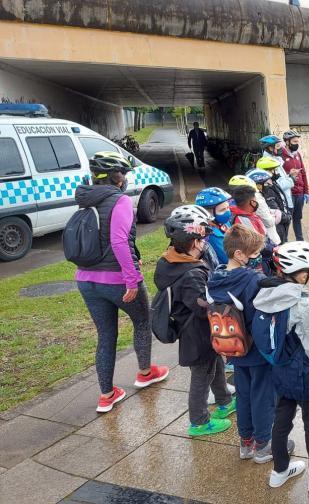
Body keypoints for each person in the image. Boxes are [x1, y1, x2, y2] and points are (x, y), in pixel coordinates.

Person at [74, 152, 169, 413]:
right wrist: (131, 280)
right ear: (118, 177)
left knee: (106, 335)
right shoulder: (121, 201)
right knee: (142, 321)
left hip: (86, 279)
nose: (126, 179)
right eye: (124, 174)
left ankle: (106, 395)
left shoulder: (84, 200)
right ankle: (145, 372)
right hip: (117, 278)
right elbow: (118, 242)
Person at [255, 242, 309, 493]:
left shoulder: (264, 294)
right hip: (306, 375)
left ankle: (279, 470)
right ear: (299, 273)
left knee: (281, 421)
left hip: (280, 369)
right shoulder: (302, 305)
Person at [207, 224, 293, 462]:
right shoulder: (252, 279)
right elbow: (263, 315)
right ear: (239, 254)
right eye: (254, 252)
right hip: (256, 350)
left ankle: (246, 443)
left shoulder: (216, 276)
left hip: (233, 347)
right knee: (263, 396)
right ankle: (264, 444)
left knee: (243, 395)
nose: (257, 255)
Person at [156, 207, 236, 436]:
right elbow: (202, 307)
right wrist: (223, 301)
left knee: (216, 365)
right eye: (202, 239)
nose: (204, 243)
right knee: (202, 376)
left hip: (197, 331)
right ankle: (199, 421)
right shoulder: (190, 273)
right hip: (197, 333)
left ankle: (224, 400)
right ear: (192, 242)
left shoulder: (171, 262)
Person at [256, 156, 293, 243]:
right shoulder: (267, 188)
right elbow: (275, 210)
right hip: (278, 226)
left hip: (282, 224)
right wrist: (287, 217)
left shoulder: (273, 183)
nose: (276, 172)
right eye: (273, 170)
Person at [195, 187, 233, 265]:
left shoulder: (223, 222)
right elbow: (228, 259)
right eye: (222, 210)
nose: (227, 212)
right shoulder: (210, 235)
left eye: (228, 208)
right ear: (209, 213)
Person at [280, 130, 307, 240]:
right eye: (294, 141)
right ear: (287, 142)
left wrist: (306, 192)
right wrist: (289, 174)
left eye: (297, 141)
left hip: (299, 193)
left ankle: (300, 241)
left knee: (297, 219)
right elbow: (279, 175)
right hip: (288, 194)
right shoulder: (281, 155)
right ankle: (283, 241)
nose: (297, 143)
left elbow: (303, 173)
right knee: (287, 219)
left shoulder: (298, 155)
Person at [245, 168, 282, 245]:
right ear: (258, 185)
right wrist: (277, 215)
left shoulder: (254, 196)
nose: (269, 185)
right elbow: (269, 222)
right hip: (269, 239)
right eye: (266, 183)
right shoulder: (258, 198)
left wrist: (271, 212)